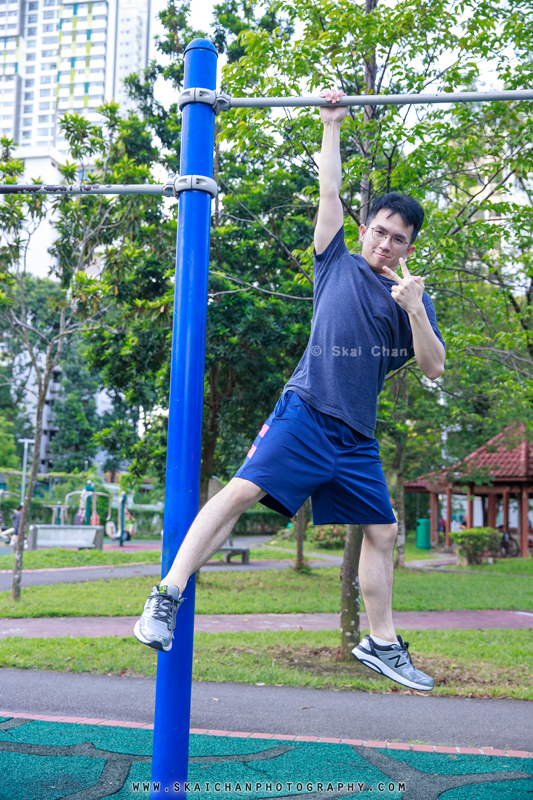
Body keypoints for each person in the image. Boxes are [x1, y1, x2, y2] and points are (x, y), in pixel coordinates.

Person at [133, 88, 446, 692]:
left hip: (354, 436)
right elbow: (328, 192)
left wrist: (415, 312)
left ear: (411, 246)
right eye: (378, 233)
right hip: (305, 412)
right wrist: (331, 123)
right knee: (238, 494)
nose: (385, 246)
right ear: (365, 229)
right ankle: (165, 597)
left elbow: (434, 367)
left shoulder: (413, 299)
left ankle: (381, 643)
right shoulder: (337, 260)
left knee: (382, 532)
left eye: (397, 240)